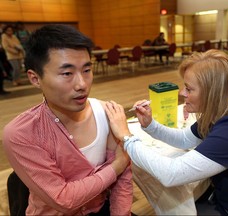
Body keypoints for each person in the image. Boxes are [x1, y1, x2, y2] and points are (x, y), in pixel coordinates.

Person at [104, 49, 228, 215]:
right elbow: (185, 139)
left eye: (189, 88)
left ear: (211, 93)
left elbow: (172, 174)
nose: (183, 93)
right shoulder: (222, 112)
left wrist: (126, 137)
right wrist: (151, 125)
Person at [3, 24, 133, 215]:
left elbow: (123, 181)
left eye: (87, 70)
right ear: (35, 78)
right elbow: (63, 199)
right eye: (67, 73)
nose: (82, 84)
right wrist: (117, 165)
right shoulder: (21, 133)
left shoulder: (108, 113)